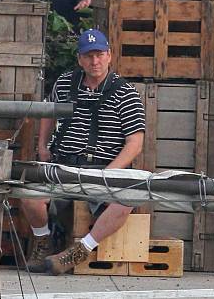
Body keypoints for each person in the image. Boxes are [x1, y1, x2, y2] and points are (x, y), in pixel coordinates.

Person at [21, 29, 145, 275]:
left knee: (128, 201)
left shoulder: (126, 93)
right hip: (64, 163)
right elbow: (49, 113)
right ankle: (43, 241)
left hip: (104, 166)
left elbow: (135, 142)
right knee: (27, 191)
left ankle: (80, 251)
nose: (94, 61)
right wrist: (42, 146)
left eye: (99, 55)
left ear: (109, 56)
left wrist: (109, 173)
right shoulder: (66, 82)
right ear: (80, 59)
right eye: (88, 56)